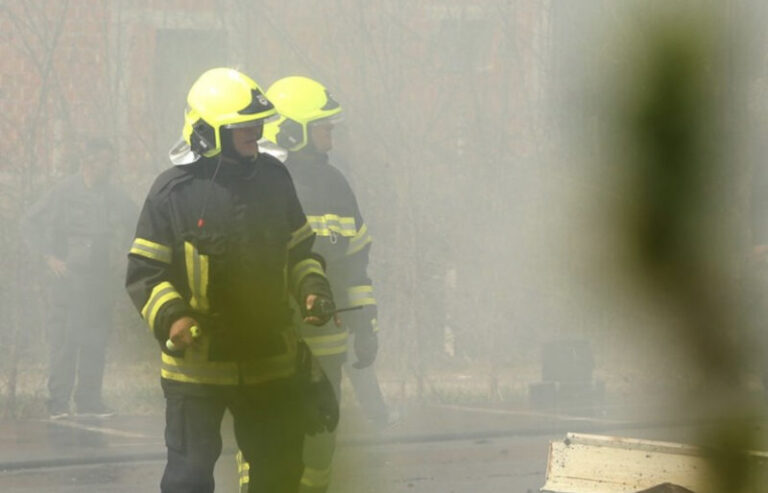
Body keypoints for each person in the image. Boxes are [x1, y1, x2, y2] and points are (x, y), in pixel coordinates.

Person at [125, 67, 337, 493]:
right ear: (207, 132)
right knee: (188, 480)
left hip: (269, 363)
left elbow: (300, 254)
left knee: (278, 475)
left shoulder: (275, 181)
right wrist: (173, 318)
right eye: (243, 127)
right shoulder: (172, 193)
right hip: (197, 372)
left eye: (256, 125)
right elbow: (146, 272)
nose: (255, 133)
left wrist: (313, 290)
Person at [241, 75, 385, 493]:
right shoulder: (261, 182)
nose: (331, 138)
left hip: (327, 347)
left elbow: (357, 263)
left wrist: (366, 323)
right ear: (293, 129)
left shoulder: (336, 184)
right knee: (263, 444)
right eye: (324, 127)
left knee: (321, 446)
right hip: (270, 345)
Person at [21, 137, 135, 419]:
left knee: (95, 340)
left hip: (99, 282)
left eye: (111, 162)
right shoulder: (63, 192)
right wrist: (47, 257)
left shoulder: (113, 195)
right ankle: (58, 403)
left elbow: (138, 219)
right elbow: (29, 222)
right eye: (106, 162)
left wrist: (125, 252)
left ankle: (89, 401)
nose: (110, 168)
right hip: (68, 281)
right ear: (89, 162)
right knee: (64, 341)